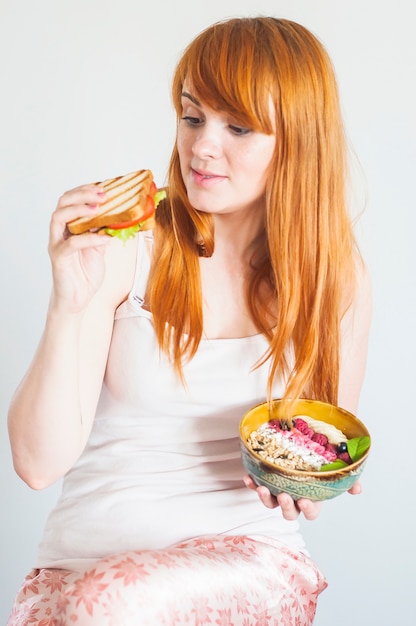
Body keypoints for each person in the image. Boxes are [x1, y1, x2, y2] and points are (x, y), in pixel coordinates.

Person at [7, 16, 371, 626]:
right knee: (96, 601)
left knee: (111, 599)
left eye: (239, 127)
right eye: (192, 115)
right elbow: (38, 464)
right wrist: (68, 301)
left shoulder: (334, 276)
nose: (202, 147)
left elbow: (311, 451)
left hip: (245, 567)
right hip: (76, 584)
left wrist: (310, 483)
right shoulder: (127, 246)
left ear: (298, 141)